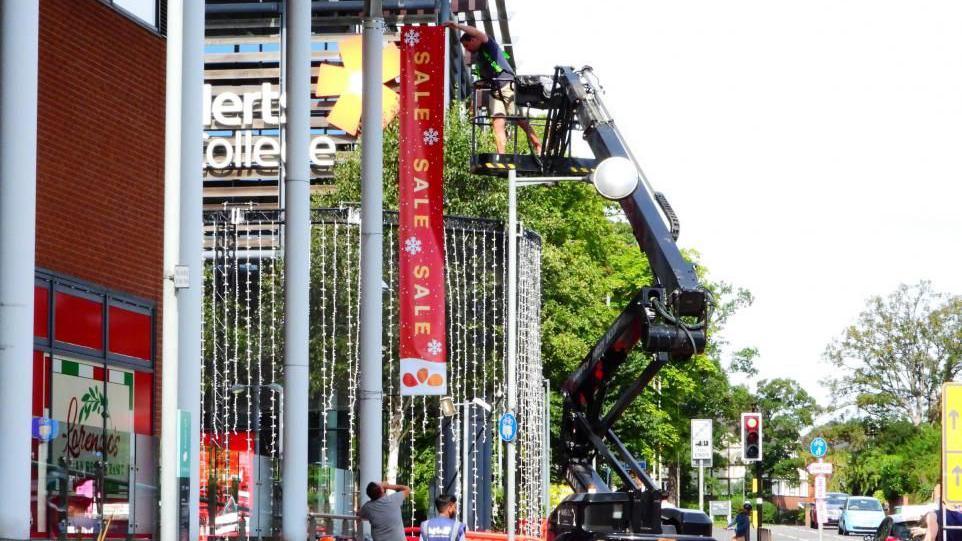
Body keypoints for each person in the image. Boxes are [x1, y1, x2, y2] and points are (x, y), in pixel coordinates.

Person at [442, 20, 542, 156]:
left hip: (508, 86)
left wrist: (457, 26)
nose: (467, 49)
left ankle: (537, 144)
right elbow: (486, 78)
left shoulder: (488, 44)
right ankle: (501, 155)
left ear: (474, 40)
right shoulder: (478, 57)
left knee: (519, 119)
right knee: (497, 123)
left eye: (467, 45)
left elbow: (477, 32)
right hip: (495, 91)